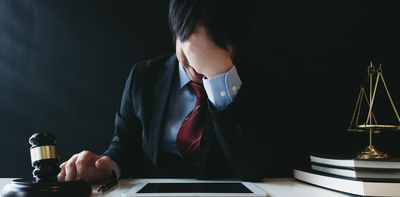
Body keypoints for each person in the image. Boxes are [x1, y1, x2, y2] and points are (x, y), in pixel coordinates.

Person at [58, 0, 290, 184]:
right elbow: (124, 146)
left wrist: (221, 78)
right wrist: (107, 167)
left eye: (214, 50)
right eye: (192, 47)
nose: (198, 65)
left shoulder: (262, 81)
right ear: (175, 33)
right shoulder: (144, 77)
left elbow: (255, 167)